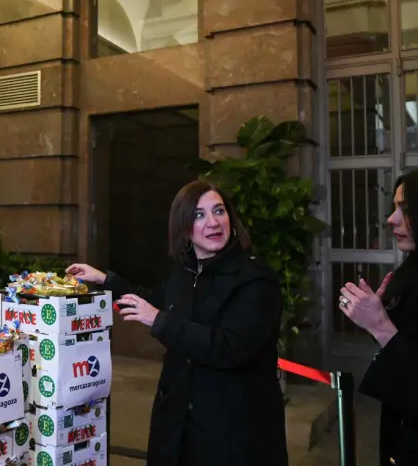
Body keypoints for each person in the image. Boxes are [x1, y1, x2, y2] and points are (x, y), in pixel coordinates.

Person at [67, 179, 287, 466]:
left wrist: (158, 320)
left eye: (219, 211)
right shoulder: (184, 273)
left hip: (232, 433)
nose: (213, 222)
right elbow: (154, 300)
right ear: (183, 227)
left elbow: (230, 347)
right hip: (177, 426)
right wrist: (106, 280)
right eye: (199, 215)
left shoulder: (257, 280)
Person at [338, 170, 418, 466]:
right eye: (394, 207)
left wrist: (380, 325)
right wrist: (381, 315)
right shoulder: (408, 271)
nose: (391, 219)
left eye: (406, 210)